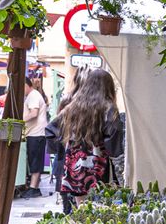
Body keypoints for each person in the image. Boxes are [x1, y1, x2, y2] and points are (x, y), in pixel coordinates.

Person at [54, 68, 123, 213]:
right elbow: (113, 140)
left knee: (81, 210)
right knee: (100, 212)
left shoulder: (72, 107)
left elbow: (52, 128)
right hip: (98, 166)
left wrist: (61, 153)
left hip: (74, 165)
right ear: (109, 87)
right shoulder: (109, 108)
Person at [19, 73, 49, 198]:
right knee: (34, 160)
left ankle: (33, 188)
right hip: (35, 133)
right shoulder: (33, 95)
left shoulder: (33, 96)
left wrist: (20, 121)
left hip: (36, 133)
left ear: (26, 85)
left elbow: (34, 113)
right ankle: (33, 187)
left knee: (35, 161)